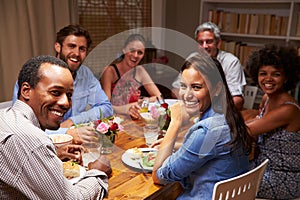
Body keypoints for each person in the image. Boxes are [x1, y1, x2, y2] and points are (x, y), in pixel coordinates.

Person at [0, 55, 111, 199]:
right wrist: (97, 172)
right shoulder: (33, 141)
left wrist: (53, 154)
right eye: (55, 92)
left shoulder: (5, 116)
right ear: (26, 91)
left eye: (69, 95)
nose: (66, 103)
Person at [152, 52, 251, 199]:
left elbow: (159, 176)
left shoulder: (207, 131)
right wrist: (180, 144)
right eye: (183, 86)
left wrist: (175, 122)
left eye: (196, 87)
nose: (186, 95)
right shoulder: (227, 116)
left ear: (217, 89)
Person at [12, 24, 113, 143]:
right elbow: (21, 124)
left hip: (76, 145)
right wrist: (65, 132)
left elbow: (106, 108)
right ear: (58, 47)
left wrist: (73, 121)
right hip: (39, 144)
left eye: (82, 49)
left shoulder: (86, 74)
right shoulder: (35, 73)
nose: (76, 53)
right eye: (71, 46)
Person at [245, 44, 300, 199]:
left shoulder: (289, 109)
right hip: (261, 167)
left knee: (221, 179)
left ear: (286, 77)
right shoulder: (266, 99)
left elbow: (247, 130)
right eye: (263, 73)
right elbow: (256, 121)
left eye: (275, 74)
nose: (268, 79)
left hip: (284, 178)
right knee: (218, 169)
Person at [172, 22, 246, 110]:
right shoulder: (192, 58)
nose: (204, 46)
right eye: (200, 42)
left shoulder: (231, 62)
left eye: (209, 41)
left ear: (218, 43)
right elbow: (175, 89)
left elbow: (237, 100)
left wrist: (209, 110)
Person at [100, 33, 162, 119]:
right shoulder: (110, 71)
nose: (135, 55)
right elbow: (105, 107)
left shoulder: (140, 71)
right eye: (132, 50)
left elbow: (159, 97)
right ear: (124, 50)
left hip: (134, 120)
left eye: (140, 52)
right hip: (114, 121)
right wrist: (129, 107)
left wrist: (144, 101)